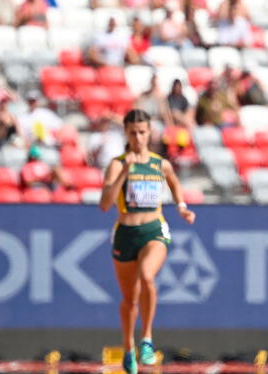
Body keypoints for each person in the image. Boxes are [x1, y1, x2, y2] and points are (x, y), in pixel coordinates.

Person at [99, 109, 195, 374]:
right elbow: (105, 204)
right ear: (126, 134)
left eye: (143, 132)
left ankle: (147, 340)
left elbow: (174, 181)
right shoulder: (118, 164)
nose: (138, 137)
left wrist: (182, 206)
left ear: (149, 133)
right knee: (129, 299)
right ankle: (128, 348)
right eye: (133, 132)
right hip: (126, 234)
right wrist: (124, 172)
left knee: (147, 277)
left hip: (154, 230)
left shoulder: (159, 164)